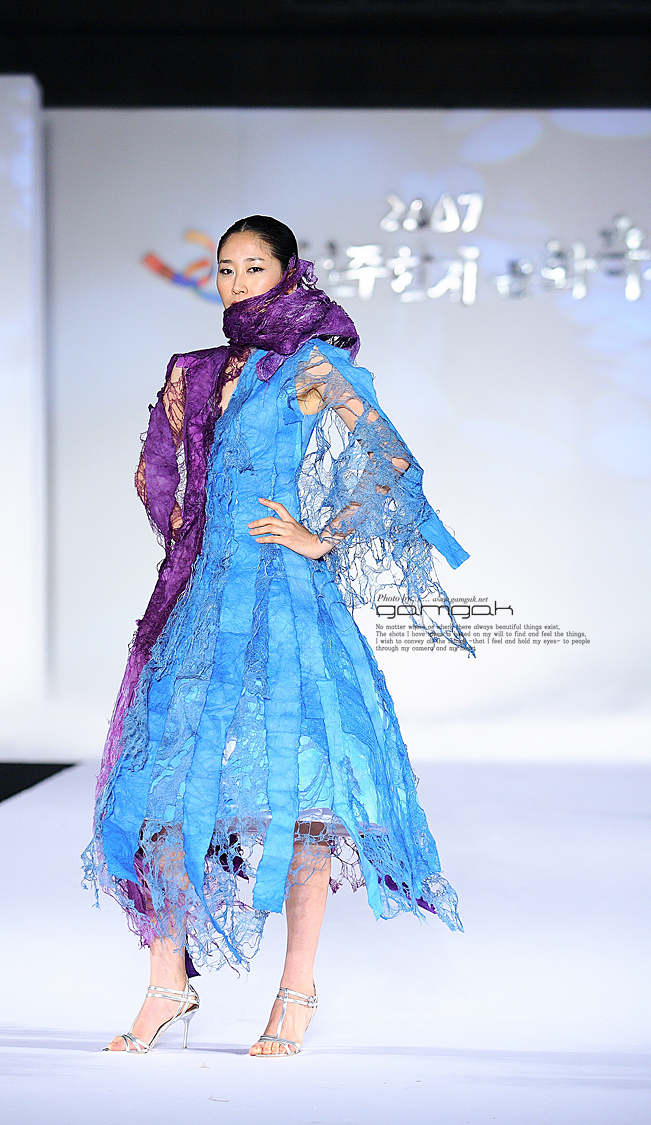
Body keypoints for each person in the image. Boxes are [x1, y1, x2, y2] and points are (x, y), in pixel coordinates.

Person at [82, 215, 473, 1057]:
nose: (236, 283)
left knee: (302, 800)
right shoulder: (197, 371)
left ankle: (296, 989)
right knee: (160, 788)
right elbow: (161, 476)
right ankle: (167, 981)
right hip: (203, 602)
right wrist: (193, 529)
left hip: (288, 604)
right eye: (225, 269)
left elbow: (392, 462)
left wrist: (320, 535)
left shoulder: (311, 363)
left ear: (288, 272)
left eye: (253, 267)